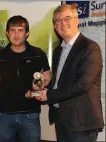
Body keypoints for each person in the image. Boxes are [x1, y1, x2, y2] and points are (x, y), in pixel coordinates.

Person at [35, 4, 104, 142]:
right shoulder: (58, 51)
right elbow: (60, 81)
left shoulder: (90, 48)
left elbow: (82, 84)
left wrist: (50, 94)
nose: (63, 23)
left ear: (77, 21)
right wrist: (43, 90)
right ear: (55, 26)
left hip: (81, 122)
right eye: (58, 21)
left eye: (67, 18)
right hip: (62, 119)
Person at [0, 15, 51, 142]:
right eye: (12, 30)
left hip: (30, 114)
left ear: (27, 33)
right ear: (7, 33)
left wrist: (37, 89)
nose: (16, 35)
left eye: (20, 30)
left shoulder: (38, 54)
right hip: (4, 115)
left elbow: (47, 77)